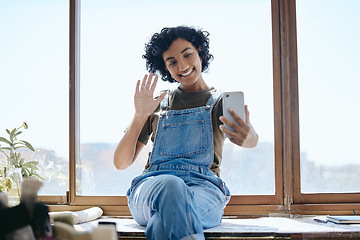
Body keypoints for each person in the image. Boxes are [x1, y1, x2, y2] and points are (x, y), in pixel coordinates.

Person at [113, 26, 258, 240]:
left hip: (203, 190)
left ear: (200, 51)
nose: (182, 66)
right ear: (165, 68)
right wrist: (139, 115)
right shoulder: (156, 104)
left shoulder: (220, 103)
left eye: (187, 55)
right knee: (171, 185)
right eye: (172, 62)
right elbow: (121, 162)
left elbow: (251, 140)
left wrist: (250, 137)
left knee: (161, 225)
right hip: (153, 188)